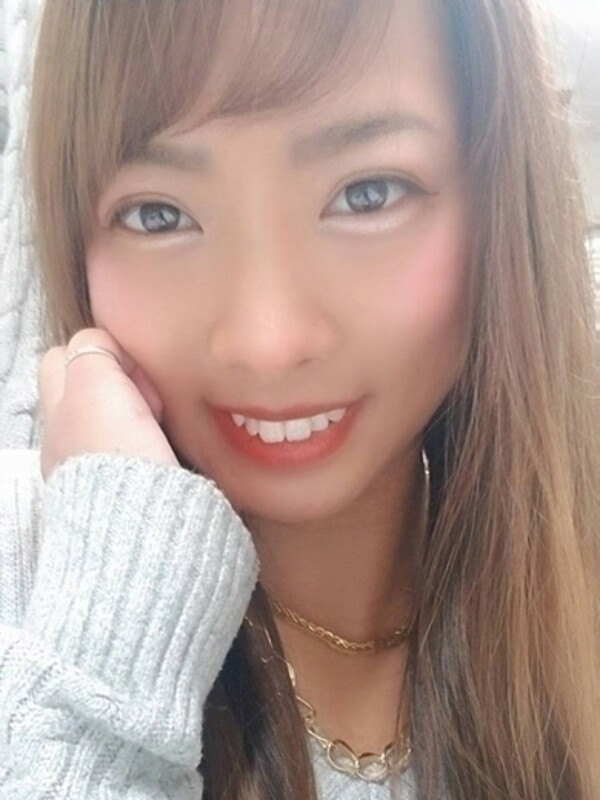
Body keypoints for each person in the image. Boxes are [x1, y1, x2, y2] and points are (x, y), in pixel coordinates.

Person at [0, 0, 598, 797]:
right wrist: (111, 642)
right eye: (158, 214)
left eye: (367, 195)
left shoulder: (572, 586)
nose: (268, 342)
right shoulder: (23, 585)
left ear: (497, 199)